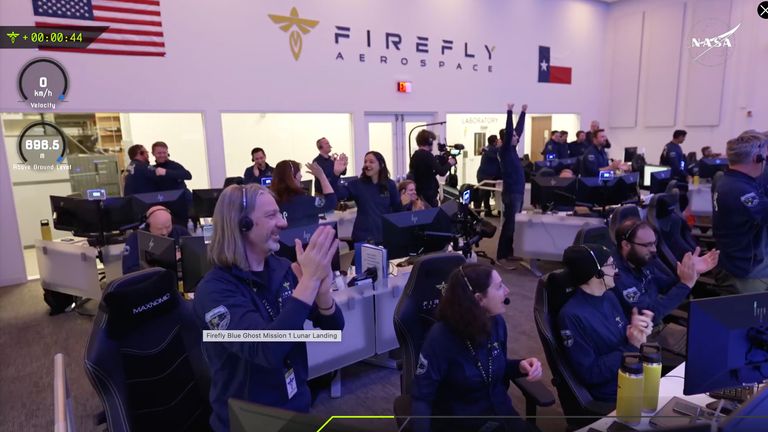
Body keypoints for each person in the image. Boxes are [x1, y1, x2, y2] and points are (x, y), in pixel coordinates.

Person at [193, 184, 344, 432]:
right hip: (248, 421)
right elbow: (267, 350)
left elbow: (334, 326)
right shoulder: (214, 292)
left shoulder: (282, 268)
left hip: (296, 408)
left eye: (280, 214)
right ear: (242, 224)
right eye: (271, 216)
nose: (283, 223)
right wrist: (309, 282)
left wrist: (323, 291)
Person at [411, 263, 543, 432]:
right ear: (479, 299)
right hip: (464, 424)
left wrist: (520, 366)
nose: (507, 291)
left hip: (502, 414)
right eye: (499, 286)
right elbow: (422, 397)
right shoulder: (440, 338)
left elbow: (494, 366)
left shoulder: (496, 323)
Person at [558, 244, 653, 403]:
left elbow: (623, 341)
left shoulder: (609, 297)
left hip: (634, 375)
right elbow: (590, 373)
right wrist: (631, 347)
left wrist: (636, 330)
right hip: (614, 395)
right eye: (611, 265)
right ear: (597, 273)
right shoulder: (571, 316)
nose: (616, 271)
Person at [613, 219, 718, 323]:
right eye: (647, 245)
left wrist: (691, 271)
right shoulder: (617, 276)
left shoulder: (641, 260)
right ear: (626, 245)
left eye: (654, 243)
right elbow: (649, 315)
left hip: (657, 324)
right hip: (640, 334)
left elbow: (665, 285)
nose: (654, 249)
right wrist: (685, 285)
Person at [713, 131, 768, 293]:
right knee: (751, 318)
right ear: (756, 159)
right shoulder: (740, 190)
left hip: (740, 262)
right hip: (746, 271)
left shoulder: (734, 181)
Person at [335, 151, 403, 244]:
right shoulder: (357, 184)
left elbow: (397, 209)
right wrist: (336, 174)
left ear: (381, 165)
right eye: (365, 162)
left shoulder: (389, 184)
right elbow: (338, 195)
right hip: (363, 237)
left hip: (384, 236)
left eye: (371, 162)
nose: (367, 164)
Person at [496, 103, 527, 269]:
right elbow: (511, 131)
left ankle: (509, 252)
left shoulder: (513, 150)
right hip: (512, 193)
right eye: (514, 136)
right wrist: (509, 111)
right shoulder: (506, 150)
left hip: (518, 192)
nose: (517, 137)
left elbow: (518, 130)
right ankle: (501, 256)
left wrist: (523, 113)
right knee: (509, 224)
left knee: (514, 225)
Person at [121, 206, 190, 274]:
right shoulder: (135, 238)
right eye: (159, 228)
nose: (164, 232)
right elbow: (128, 271)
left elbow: (195, 258)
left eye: (168, 226)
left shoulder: (181, 232)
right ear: (148, 226)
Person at [270, 160, 337, 227]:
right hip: (305, 236)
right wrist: (321, 176)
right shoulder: (304, 201)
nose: (301, 176)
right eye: (299, 173)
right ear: (293, 177)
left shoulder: (272, 202)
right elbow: (331, 202)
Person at [409, 129, 456, 207]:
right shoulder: (428, 155)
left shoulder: (415, 155)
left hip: (420, 193)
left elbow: (425, 173)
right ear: (429, 142)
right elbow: (442, 172)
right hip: (428, 195)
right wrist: (449, 163)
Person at [151, 141, 193, 225]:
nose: (162, 155)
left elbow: (188, 175)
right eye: (159, 153)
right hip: (163, 207)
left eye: (164, 153)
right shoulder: (152, 169)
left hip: (180, 206)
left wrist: (166, 172)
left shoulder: (174, 165)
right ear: (153, 154)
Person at [475, 135, 501, 217]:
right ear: (494, 142)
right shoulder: (493, 150)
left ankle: (487, 212)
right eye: (497, 141)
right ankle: (477, 213)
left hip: (484, 175)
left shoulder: (488, 148)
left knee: (486, 194)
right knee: (482, 194)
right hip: (485, 176)